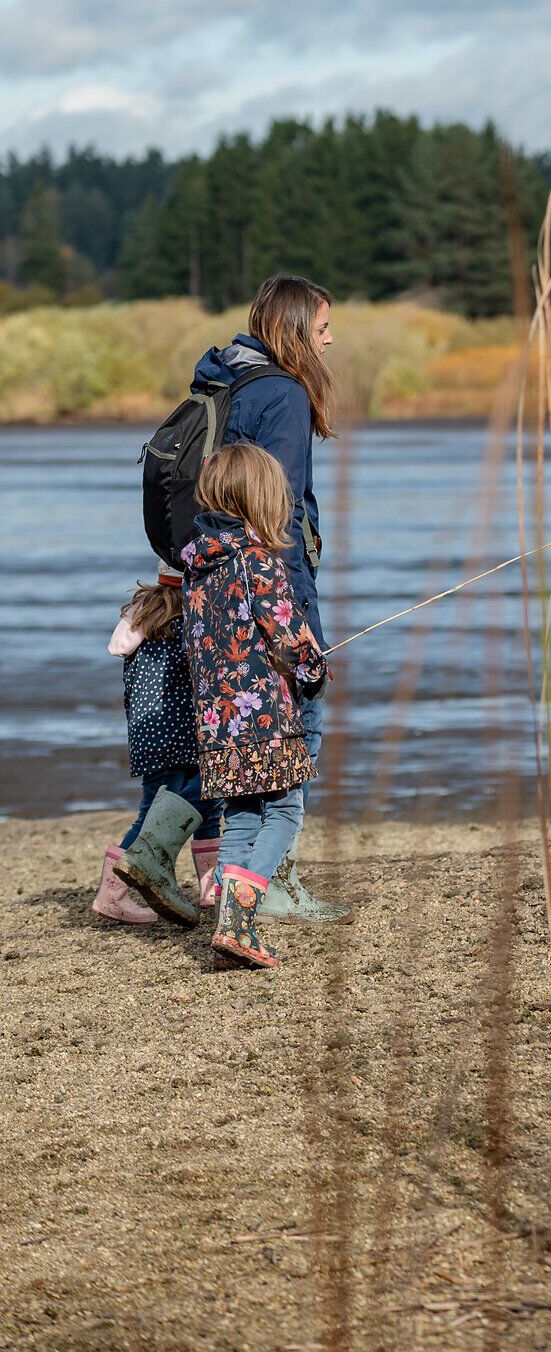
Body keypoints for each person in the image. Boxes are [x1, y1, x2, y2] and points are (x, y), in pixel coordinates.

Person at [190, 274, 347, 923]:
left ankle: (233, 882)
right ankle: (268, 885)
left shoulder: (225, 380)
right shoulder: (282, 393)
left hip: (218, 592)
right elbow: (274, 513)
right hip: (272, 588)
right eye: (323, 328)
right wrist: (299, 632)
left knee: (242, 778)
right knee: (295, 746)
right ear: (294, 332)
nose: (330, 340)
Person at [182, 442, 328, 970]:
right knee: (285, 811)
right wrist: (315, 671)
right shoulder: (257, 561)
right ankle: (240, 921)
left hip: (217, 725)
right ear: (262, 501)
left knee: (241, 817)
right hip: (264, 717)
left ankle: (228, 929)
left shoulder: (198, 567)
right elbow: (289, 637)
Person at [101, 566, 222, 927]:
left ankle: (207, 889)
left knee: (155, 807)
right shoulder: (190, 618)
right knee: (202, 804)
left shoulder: (141, 618)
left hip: (147, 734)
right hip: (185, 733)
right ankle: (111, 895)